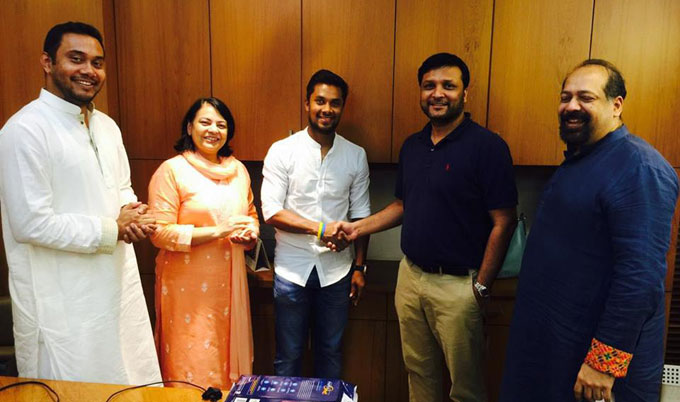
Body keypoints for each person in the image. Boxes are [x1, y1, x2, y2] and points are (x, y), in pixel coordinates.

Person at [336, 53, 518, 401]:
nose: (438, 93)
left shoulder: (488, 147)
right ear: (420, 92)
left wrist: (481, 285)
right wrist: (356, 228)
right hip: (411, 278)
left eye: (448, 86)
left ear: (465, 93)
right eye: (429, 85)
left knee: (465, 387)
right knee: (419, 373)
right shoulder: (413, 146)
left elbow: (504, 220)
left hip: (458, 287)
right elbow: (403, 205)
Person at [500, 60, 679, 402]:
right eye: (565, 97)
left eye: (586, 97)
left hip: (594, 368)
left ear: (616, 105)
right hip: (556, 349)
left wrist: (603, 363)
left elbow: (640, 277)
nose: (571, 106)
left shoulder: (639, 168)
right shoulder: (583, 159)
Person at [0, 22, 161, 384]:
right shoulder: (24, 130)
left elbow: (121, 188)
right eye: (76, 59)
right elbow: (30, 223)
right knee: (72, 386)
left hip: (116, 290)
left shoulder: (107, 126)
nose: (89, 70)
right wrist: (112, 229)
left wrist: (134, 213)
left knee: (127, 379)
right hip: (62, 306)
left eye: (97, 63)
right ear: (47, 62)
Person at [260, 69, 371, 379]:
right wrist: (320, 229)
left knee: (330, 353)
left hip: (337, 272)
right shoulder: (282, 151)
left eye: (335, 103)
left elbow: (361, 216)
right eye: (320, 101)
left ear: (342, 107)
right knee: (289, 355)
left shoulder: (355, 155)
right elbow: (271, 212)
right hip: (291, 271)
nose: (327, 109)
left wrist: (360, 268)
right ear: (307, 103)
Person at [148, 97, 259, 388]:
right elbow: (159, 232)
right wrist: (218, 231)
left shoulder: (238, 171)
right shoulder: (172, 171)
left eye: (221, 125)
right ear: (190, 127)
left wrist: (250, 234)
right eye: (205, 122)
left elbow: (250, 215)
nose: (213, 130)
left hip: (231, 285)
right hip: (188, 291)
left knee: (226, 359)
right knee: (192, 357)